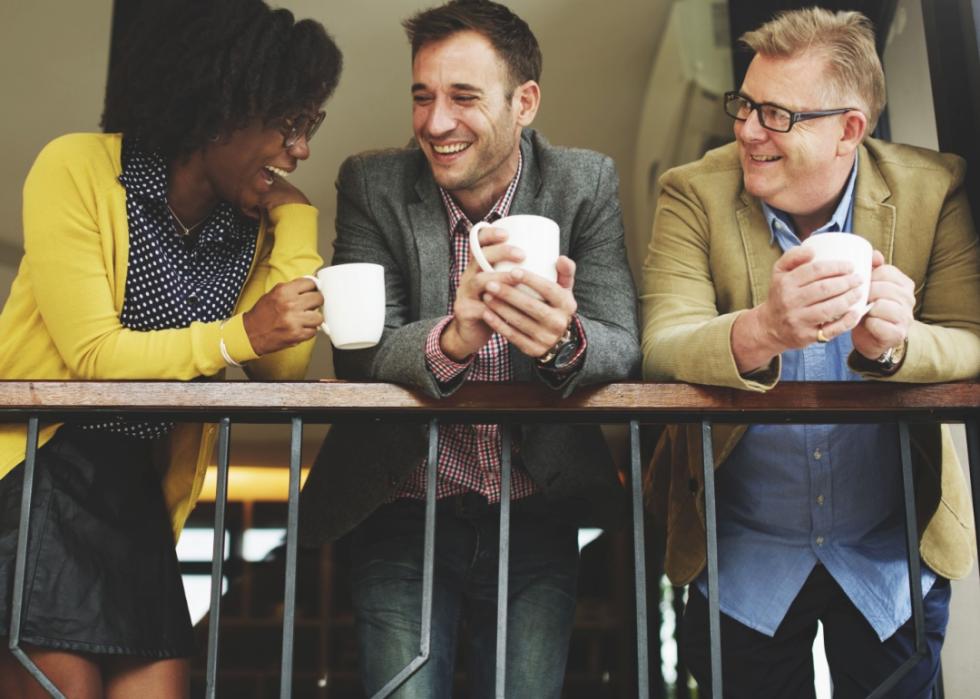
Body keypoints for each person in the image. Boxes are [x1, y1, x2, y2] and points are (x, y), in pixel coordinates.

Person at [0, 0, 342, 696]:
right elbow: (95, 356)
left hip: (138, 495)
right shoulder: (79, 170)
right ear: (222, 109)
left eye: (309, 125)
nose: (300, 148)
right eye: (289, 124)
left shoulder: (244, 223)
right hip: (41, 476)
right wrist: (236, 335)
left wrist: (297, 222)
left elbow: (281, 364)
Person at [297, 1, 639, 696]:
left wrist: (563, 342)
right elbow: (359, 355)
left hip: (537, 511)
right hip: (401, 508)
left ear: (525, 102)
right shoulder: (372, 182)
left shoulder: (585, 182)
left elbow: (622, 341)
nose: (434, 122)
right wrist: (454, 337)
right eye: (422, 96)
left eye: (463, 97)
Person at [641, 7, 979, 698]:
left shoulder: (932, 188)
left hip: (888, 555)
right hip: (741, 555)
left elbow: (970, 335)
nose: (747, 130)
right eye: (745, 105)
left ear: (849, 129)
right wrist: (763, 329)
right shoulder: (691, 192)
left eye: (776, 115)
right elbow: (661, 342)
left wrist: (894, 345)